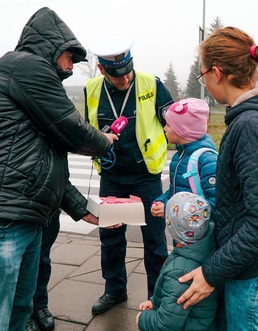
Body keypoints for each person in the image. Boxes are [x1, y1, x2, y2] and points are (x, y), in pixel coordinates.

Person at [0, 7, 118, 331]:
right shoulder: (27, 66)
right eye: (69, 58)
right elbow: (73, 128)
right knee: (4, 310)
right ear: (53, 48)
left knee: (18, 311)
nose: (70, 67)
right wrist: (106, 141)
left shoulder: (31, 82)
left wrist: (85, 210)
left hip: (28, 216)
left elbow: (47, 165)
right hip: (9, 217)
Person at [177, 26, 258, 331]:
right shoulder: (256, 116)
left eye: (202, 74)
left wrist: (210, 273)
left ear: (216, 73)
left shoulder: (251, 126)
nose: (204, 80)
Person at [84, 36, 174, 315]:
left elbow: (173, 123)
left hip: (146, 176)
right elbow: (87, 127)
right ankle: (114, 289)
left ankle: (156, 297)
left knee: (155, 242)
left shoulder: (151, 83)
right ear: (101, 69)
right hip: (111, 176)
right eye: (116, 74)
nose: (124, 79)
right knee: (110, 237)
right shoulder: (91, 87)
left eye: (127, 72)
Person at [136, 191, 218, 331]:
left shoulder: (180, 272)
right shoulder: (207, 247)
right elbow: (173, 302)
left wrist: (142, 319)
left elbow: (166, 324)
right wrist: (155, 302)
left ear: (172, 228)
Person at [150, 97, 217, 219]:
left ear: (183, 130)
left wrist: (169, 209)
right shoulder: (179, 156)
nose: (164, 128)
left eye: (168, 125)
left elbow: (214, 204)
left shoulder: (207, 160)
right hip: (184, 232)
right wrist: (163, 200)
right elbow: (175, 192)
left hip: (199, 234)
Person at [25, 210, 61, 331]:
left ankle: (39, 305)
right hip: (17, 206)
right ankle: (21, 312)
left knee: (43, 260)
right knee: (21, 264)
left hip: (48, 208)